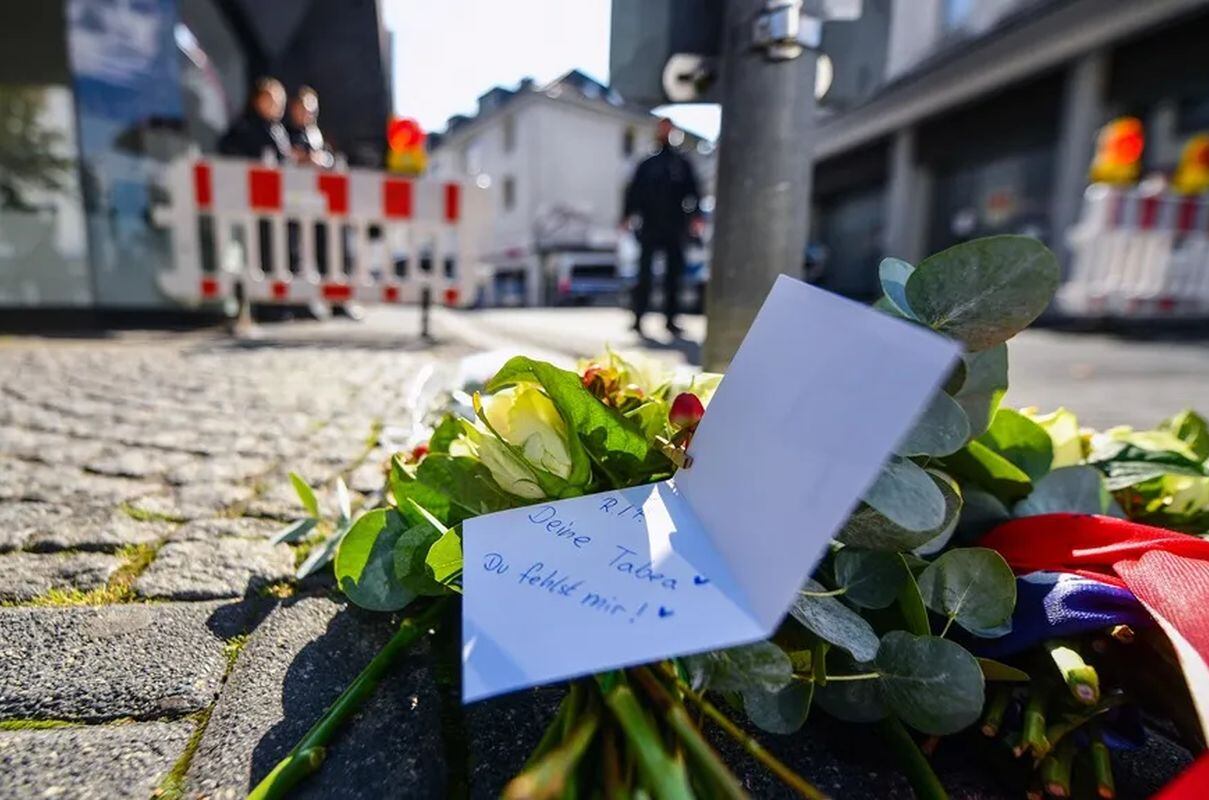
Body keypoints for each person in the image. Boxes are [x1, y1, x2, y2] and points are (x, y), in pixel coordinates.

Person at [622, 118, 702, 336]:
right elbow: (634, 192)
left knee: (673, 276)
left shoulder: (682, 163)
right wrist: (626, 216)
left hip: (675, 227)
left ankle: (671, 320)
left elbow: (694, 191)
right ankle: (638, 318)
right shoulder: (647, 163)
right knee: (644, 274)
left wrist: (696, 216)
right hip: (649, 226)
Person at [218, 77, 291, 162]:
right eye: (268, 100)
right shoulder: (243, 128)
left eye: (279, 100)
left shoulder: (279, 131)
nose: (274, 104)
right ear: (257, 100)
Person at [286, 85, 335, 169]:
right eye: (302, 108)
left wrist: (320, 158)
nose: (307, 113)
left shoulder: (315, 134)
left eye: (311, 110)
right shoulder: (284, 132)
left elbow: (329, 158)